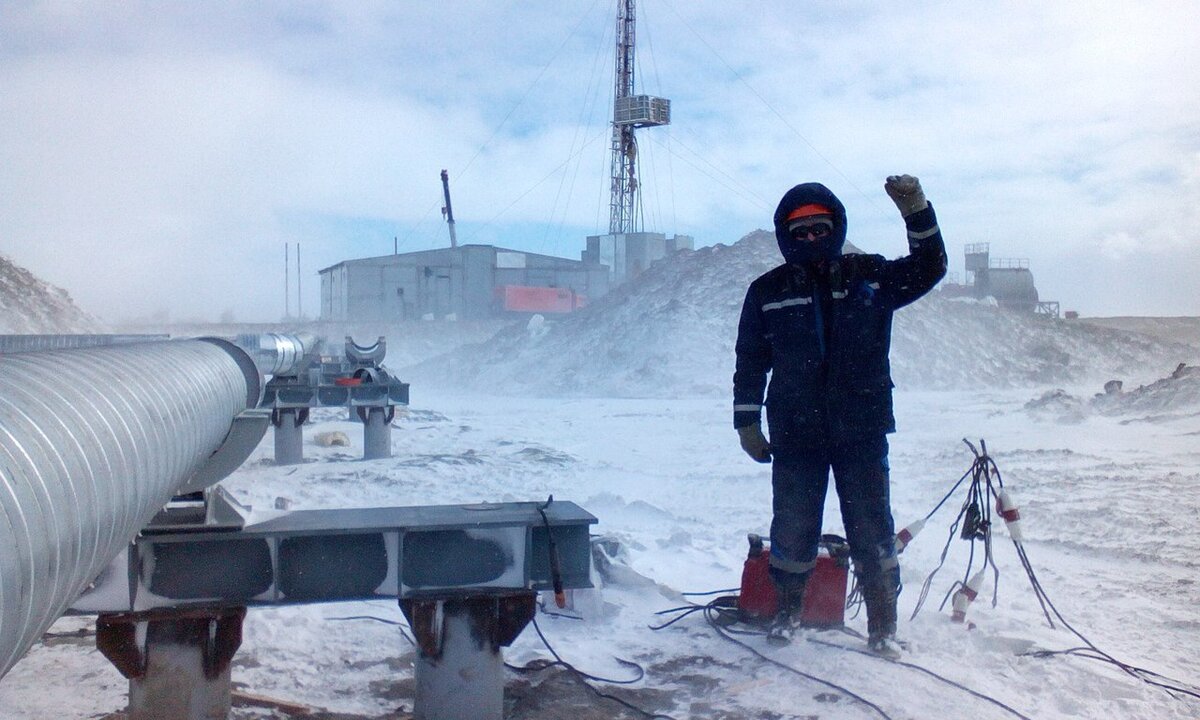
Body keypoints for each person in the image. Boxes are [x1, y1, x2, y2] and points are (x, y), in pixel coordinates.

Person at [732, 175, 946, 655]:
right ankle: (787, 613)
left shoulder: (869, 276)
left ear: (836, 227)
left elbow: (930, 267)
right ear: (787, 236)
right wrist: (746, 421)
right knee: (791, 529)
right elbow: (750, 358)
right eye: (800, 231)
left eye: (820, 228)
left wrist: (915, 210)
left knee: (873, 532)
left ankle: (883, 629)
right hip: (795, 433)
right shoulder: (767, 290)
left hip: (862, 431)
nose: (810, 239)